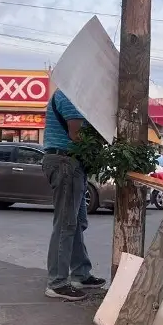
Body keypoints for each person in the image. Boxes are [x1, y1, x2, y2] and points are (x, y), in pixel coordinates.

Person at [41, 89, 106, 301]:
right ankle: (57, 283)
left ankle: (80, 273)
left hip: (69, 163)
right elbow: (77, 135)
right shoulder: (69, 94)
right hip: (65, 162)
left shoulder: (72, 93)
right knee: (66, 224)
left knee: (76, 223)